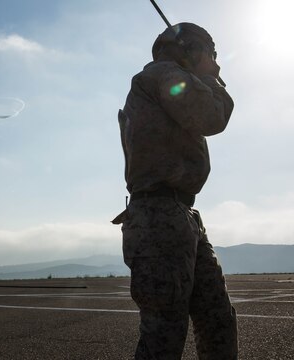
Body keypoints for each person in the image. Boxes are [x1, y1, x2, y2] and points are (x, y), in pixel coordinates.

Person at [112, 22, 238, 359]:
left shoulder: (163, 79)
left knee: (217, 320)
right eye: (210, 54)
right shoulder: (163, 75)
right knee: (164, 335)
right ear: (190, 51)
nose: (214, 61)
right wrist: (212, 78)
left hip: (180, 214)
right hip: (160, 216)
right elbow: (211, 116)